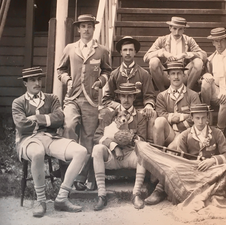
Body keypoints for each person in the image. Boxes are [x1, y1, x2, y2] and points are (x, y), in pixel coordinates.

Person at [12, 67, 88, 217]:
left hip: (50, 138)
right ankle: (41, 201)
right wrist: (48, 120)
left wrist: (37, 119)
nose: (37, 82)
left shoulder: (51, 98)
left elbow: (60, 118)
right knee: (38, 153)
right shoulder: (18, 102)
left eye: (39, 79)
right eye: (33, 80)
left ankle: (61, 198)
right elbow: (21, 124)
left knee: (81, 152)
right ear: (25, 83)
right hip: (28, 140)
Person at [57, 14, 112, 190]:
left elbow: (107, 71)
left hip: (91, 99)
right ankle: (67, 172)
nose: (86, 29)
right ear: (78, 29)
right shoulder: (70, 49)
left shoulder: (101, 50)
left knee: (88, 137)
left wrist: (101, 82)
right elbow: (61, 70)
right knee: (69, 126)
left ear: (93, 28)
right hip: (72, 98)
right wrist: (67, 80)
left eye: (89, 26)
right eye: (83, 26)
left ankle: (82, 177)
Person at [142, 103, 226, 205]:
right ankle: (160, 190)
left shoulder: (216, 133)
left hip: (211, 170)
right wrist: (193, 164)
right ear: (192, 118)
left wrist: (212, 160)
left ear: (208, 117)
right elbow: (181, 160)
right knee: (174, 170)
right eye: (197, 118)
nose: (200, 122)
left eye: (203, 118)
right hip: (192, 171)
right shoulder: (185, 135)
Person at [145, 62, 201, 205]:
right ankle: (157, 164)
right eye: (173, 73)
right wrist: (179, 116)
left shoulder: (193, 95)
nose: (176, 77)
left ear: (184, 75)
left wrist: (177, 118)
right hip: (170, 133)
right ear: (168, 76)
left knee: (176, 142)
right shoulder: (162, 96)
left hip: (187, 135)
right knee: (158, 122)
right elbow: (162, 114)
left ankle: (159, 186)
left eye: (178, 73)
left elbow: (194, 118)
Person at [92, 83, 148, 210]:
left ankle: (136, 194)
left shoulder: (139, 117)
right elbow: (97, 137)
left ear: (134, 97)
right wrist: (114, 146)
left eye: (129, 96)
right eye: (123, 96)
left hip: (130, 155)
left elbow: (143, 140)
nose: (126, 100)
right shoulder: (110, 115)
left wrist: (130, 138)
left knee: (144, 152)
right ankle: (101, 195)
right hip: (112, 156)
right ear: (118, 97)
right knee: (97, 149)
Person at [101, 36, 156, 141]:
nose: (128, 53)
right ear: (121, 52)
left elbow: (149, 96)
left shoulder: (144, 74)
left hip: (139, 109)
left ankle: (148, 144)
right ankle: (108, 141)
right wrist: (119, 107)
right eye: (125, 50)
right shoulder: (114, 74)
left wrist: (149, 104)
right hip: (119, 110)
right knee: (104, 113)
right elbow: (106, 99)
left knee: (152, 113)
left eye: (130, 50)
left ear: (135, 52)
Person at [143, 16, 207, 91]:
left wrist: (186, 54)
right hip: (167, 75)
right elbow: (146, 57)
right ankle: (162, 92)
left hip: (183, 75)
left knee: (198, 62)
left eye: (180, 29)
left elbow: (204, 55)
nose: (177, 32)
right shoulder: (162, 40)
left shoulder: (189, 40)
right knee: (153, 61)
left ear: (184, 29)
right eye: (174, 28)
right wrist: (163, 53)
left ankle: (187, 92)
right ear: (170, 28)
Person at [200, 28, 226, 131]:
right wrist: (205, 75)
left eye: (221, 40)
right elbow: (201, 76)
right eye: (216, 41)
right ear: (213, 42)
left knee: (225, 101)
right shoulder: (210, 60)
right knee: (205, 83)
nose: (219, 44)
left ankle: (220, 132)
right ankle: (208, 112)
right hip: (216, 92)